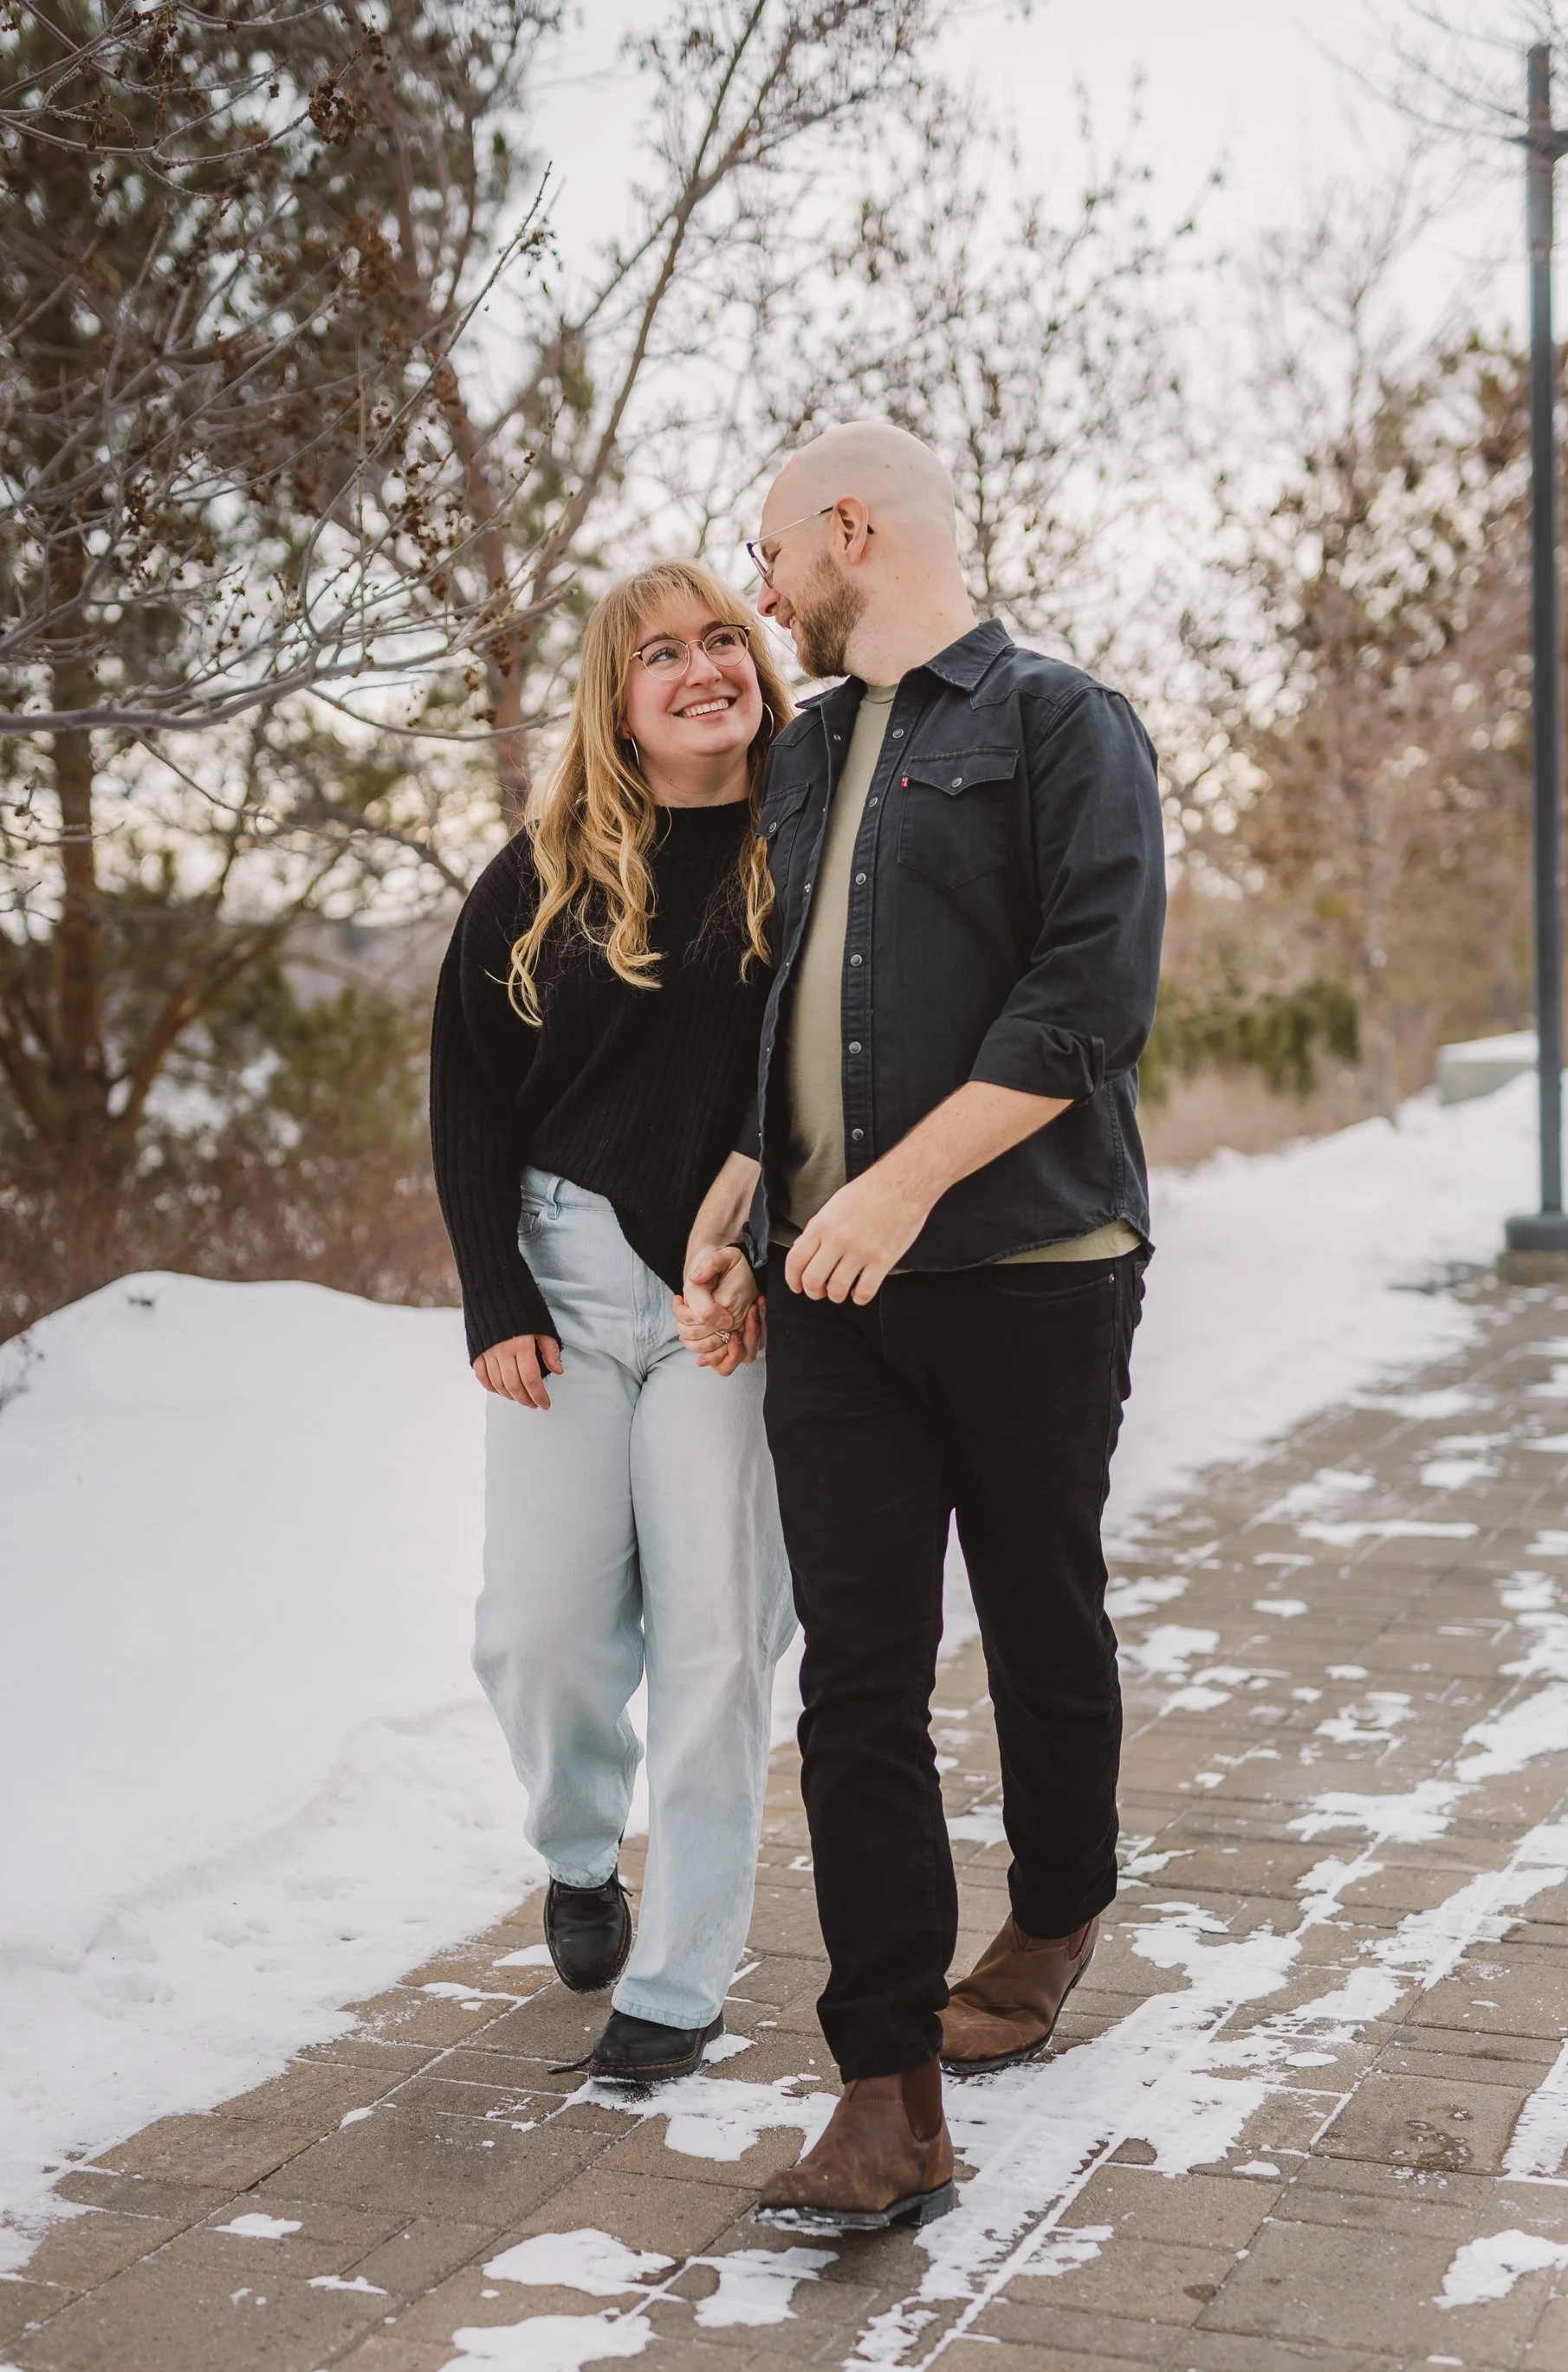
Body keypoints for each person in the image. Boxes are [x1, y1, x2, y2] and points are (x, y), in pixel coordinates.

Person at [683, 423, 1165, 2229]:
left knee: (1041, 1611)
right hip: (832, 1289)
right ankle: (884, 2093)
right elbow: (801, 996)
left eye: (770, 553)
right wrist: (752, 1190)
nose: (763, 592)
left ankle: (1057, 1904)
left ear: (851, 528)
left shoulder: (1063, 723)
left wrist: (900, 1187)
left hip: (1034, 1266)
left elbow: (1086, 997)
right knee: (858, 1675)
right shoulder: (807, 753)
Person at [430, 560, 795, 2083]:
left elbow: (836, 1072)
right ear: (618, 697)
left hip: (735, 1298)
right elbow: (467, 1090)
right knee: (542, 1631)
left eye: (726, 639)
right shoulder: (541, 874)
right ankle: (580, 1850)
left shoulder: (813, 845)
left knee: (719, 1639)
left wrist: (757, 1243)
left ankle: (682, 1973)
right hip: (564, 1277)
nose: (705, 669)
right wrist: (494, 1291)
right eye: (663, 654)